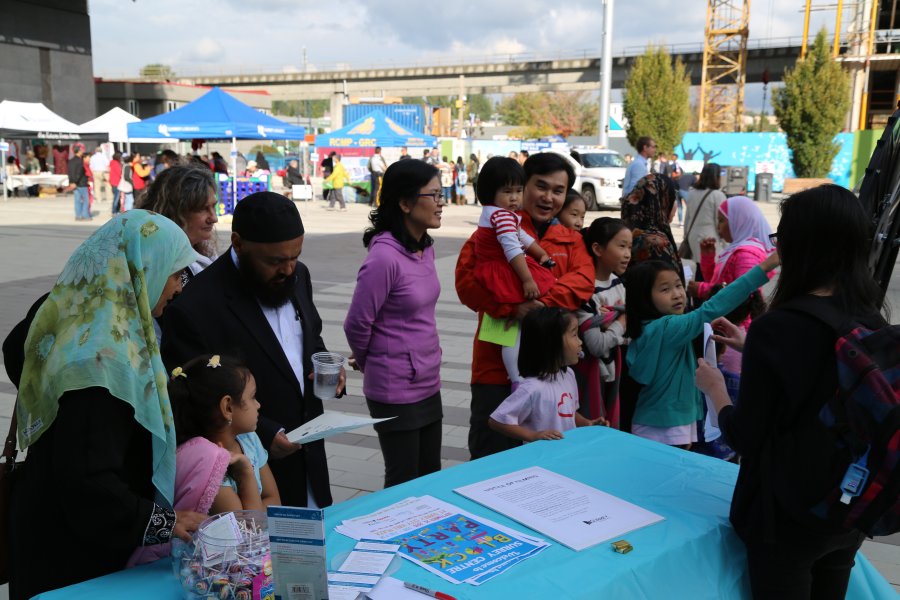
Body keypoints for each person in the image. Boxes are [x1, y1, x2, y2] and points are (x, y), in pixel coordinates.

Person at [6, 211, 207, 598]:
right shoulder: (103, 360)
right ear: (142, 267)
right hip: (72, 550)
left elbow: (16, 350)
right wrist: (164, 522)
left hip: (47, 511)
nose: (179, 287)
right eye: (174, 273)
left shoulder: (72, 304)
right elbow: (87, 478)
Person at [695, 185, 881, 599]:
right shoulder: (871, 319)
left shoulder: (777, 329)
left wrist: (715, 391)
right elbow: (826, 375)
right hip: (850, 507)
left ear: (802, 248)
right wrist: (752, 349)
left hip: (787, 517)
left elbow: (746, 435)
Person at [161, 191, 343, 508]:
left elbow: (309, 337)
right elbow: (194, 400)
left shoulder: (299, 276)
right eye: (274, 261)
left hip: (310, 454)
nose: (288, 269)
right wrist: (267, 433)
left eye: (294, 256)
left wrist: (324, 366)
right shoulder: (197, 306)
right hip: (250, 473)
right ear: (238, 243)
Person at [456, 152, 595, 459]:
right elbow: (467, 284)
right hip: (495, 368)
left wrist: (539, 307)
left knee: (547, 461)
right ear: (521, 185)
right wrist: (511, 308)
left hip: (551, 374)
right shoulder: (491, 231)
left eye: (558, 191)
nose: (548, 197)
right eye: (539, 186)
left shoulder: (571, 240)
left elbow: (582, 282)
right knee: (489, 458)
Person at [344, 160, 444, 487]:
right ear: (404, 203)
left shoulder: (423, 248)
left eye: (442, 194)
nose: (442, 202)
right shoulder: (384, 258)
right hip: (394, 385)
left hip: (428, 378)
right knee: (403, 481)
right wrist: (368, 359)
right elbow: (357, 322)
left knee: (430, 474)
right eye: (434, 195)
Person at [624, 252, 779, 448]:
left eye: (679, 285)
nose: (677, 294)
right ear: (644, 298)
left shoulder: (650, 328)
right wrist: (765, 266)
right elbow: (712, 308)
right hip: (667, 427)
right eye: (665, 289)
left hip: (659, 422)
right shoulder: (668, 327)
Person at [471, 157, 556, 384]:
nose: (515, 198)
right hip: (504, 271)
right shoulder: (501, 215)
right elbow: (512, 248)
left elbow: (523, 237)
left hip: (500, 268)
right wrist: (528, 279)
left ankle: (516, 373)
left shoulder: (497, 214)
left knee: (512, 331)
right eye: (508, 191)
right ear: (490, 192)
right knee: (513, 332)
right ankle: (516, 376)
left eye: (519, 191)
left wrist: (540, 254)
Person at [169, 354, 280, 512]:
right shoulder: (209, 465)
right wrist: (246, 472)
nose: (258, 404)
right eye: (252, 397)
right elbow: (249, 530)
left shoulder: (248, 438)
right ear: (228, 407)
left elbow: (274, 500)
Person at [489, 307, 606, 442]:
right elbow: (497, 420)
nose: (580, 342)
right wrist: (533, 436)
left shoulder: (568, 375)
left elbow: (568, 412)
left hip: (564, 454)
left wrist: (587, 423)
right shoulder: (532, 388)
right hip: (540, 459)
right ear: (552, 343)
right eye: (574, 335)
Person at [687, 195, 774, 373]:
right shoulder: (735, 248)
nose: (718, 227)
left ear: (739, 221)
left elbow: (743, 293)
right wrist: (708, 257)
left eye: (722, 221)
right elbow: (719, 282)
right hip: (725, 322)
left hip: (736, 329)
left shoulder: (746, 253)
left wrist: (702, 290)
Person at [574, 217, 631, 426]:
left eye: (629, 247)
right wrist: (622, 320)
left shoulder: (619, 283)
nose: (627, 254)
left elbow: (632, 333)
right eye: (621, 246)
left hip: (614, 374)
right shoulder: (585, 290)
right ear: (598, 249)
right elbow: (597, 345)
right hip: (589, 378)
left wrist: (611, 324)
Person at [136, 164, 219, 285]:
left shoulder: (205, 249)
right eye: (202, 208)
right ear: (175, 212)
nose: (214, 218)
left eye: (213, 206)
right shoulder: (164, 267)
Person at [621, 173, 683, 274]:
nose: (675, 205)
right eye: (672, 197)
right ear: (661, 201)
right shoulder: (656, 243)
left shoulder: (624, 232)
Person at [683, 162, 726, 261]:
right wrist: (725, 243)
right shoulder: (718, 195)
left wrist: (686, 235)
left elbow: (687, 218)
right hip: (710, 238)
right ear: (716, 177)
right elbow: (720, 221)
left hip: (693, 235)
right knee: (710, 270)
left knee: (698, 267)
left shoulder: (692, 193)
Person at [67, 144, 91, 220]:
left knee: (77, 200)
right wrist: (75, 182)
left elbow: (69, 172)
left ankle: (78, 215)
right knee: (85, 200)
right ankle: (85, 215)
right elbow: (79, 173)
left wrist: (71, 182)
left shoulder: (70, 161)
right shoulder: (80, 161)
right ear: (79, 151)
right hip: (81, 183)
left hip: (74, 183)